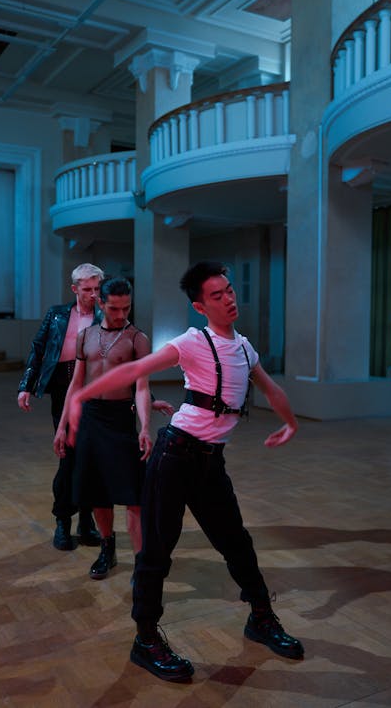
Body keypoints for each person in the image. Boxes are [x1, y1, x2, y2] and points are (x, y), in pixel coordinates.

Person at [61, 260, 304, 682]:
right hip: (175, 456)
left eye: (229, 290)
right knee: (156, 551)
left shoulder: (245, 348)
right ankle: (146, 639)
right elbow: (136, 370)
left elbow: (270, 387)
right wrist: (82, 398)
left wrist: (291, 421)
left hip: (211, 461)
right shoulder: (193, 341)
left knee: (237, 543)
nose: (229, 298)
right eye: (217, 295)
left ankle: (261, 617)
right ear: (199, 306)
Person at [54, 276, 154, 581]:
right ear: (101, 303)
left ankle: (141, 561)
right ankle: (107, 549)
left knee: (133, 494)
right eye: (114, 309)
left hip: (121, 418)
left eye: (126, 308)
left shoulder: (138, 339)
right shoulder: (86, 336)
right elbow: (76, 383)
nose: (121, 315)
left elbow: (141, 387)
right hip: (90, 419)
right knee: (98, 491)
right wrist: (62, 427)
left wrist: (146, 426)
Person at [17, 263, 104, 551]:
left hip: (95, 391)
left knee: (91, 459)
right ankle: (63, 522)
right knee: (68, 457)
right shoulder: (57, 314)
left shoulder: (106, 316)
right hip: (62, 388)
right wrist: (26, 385)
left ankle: (87, 522)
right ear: (75, 288)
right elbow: (39, 348)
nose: (93, 294)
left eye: (96, 288)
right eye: (87, 289)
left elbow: (125, 362)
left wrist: (147, 398)